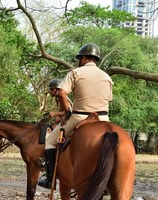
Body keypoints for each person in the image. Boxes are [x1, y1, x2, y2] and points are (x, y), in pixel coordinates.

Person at [43, 43, 113, 188]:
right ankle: (108, 182)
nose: (78, 61)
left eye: (79, 58)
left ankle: (50, 179)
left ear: (84, 58)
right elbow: (108, 99)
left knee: (50, 141)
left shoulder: (76, 72)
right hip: (104, 119)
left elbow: (62, 93)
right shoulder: (107, 77)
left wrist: (67, 113)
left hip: (80, 117)